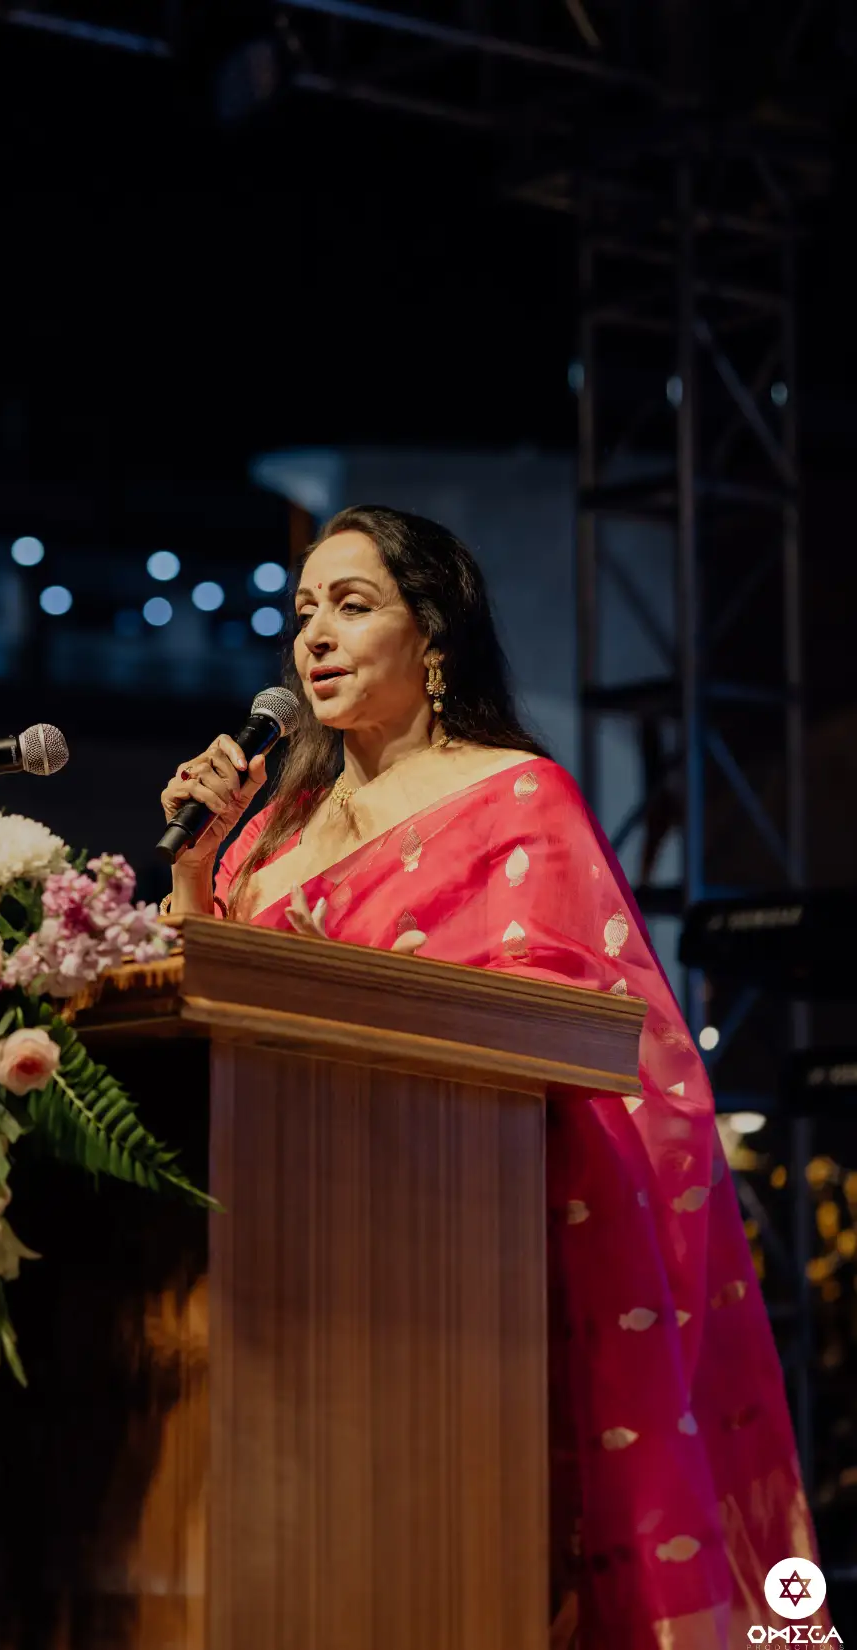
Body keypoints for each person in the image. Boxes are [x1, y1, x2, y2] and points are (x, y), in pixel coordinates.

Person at [160, 504, 822, 1647]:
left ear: (432, 636)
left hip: (457, 1250)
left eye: (351, 605)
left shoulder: (516, 798)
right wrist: (193, 867)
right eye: (303, 611)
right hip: (278, 1244)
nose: (314, 635)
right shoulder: (265, 837)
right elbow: (200, 1005)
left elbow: (585, 1040)